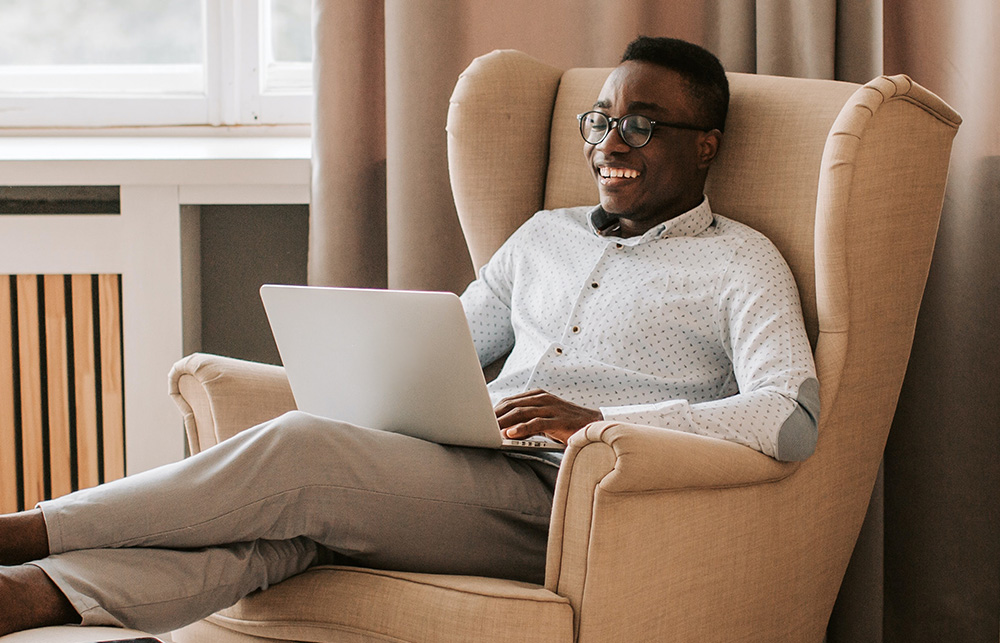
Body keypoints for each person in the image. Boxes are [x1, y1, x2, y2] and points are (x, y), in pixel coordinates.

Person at [0, 36, 818, 636]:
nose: (610, 144)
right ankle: (35, 593)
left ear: (705, 144)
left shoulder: (741, 262)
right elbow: (450, 339)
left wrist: (602, 424)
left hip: (571, 498)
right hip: (466, 465)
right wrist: (383, 377)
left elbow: (790, 416)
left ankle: (34, 528)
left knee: (304, 454)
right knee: (291, 530)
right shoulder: (544, 235)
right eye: (601, 120)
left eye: (642, 126)